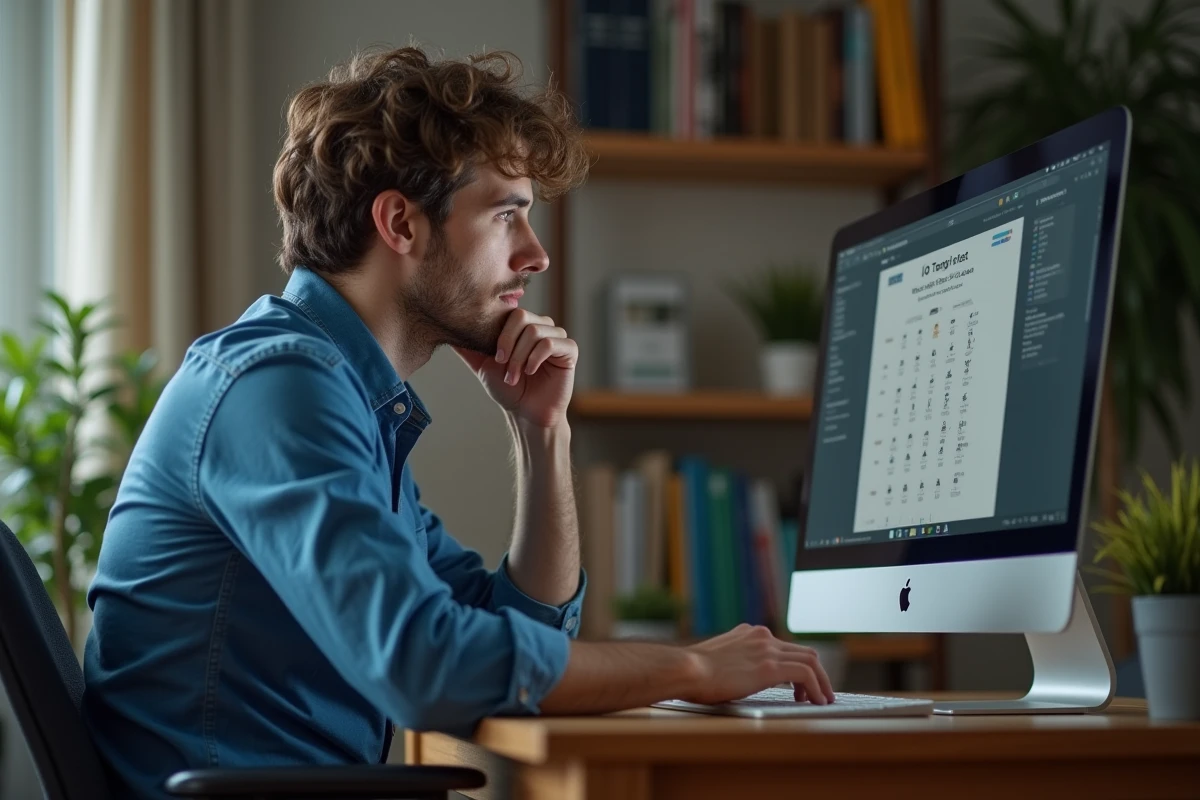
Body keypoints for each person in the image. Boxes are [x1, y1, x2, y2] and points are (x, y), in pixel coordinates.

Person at [82, 47, 833, 800]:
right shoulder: (279, 389)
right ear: (400, 222)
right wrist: (692, 668)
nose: (535, 255)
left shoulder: (344, 399)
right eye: (507, 214)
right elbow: (426, 667)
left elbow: (524, 637)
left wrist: (542, 435)